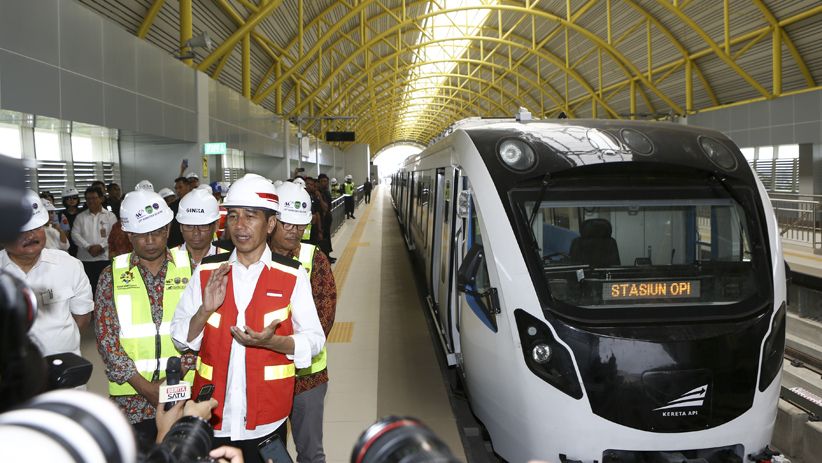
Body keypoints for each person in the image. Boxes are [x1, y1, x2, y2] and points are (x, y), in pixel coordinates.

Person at [171, 173, 325, 463]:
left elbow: (315, 340)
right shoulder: (207, 271)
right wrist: (204, 310)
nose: (239, 226)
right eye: (233, 216)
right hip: (213, 415)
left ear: (270, 224)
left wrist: (274, 342)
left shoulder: (292, 275)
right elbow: (180, 338)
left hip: (267, 420)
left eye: (250, 217)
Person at [94, 189, 196, 451]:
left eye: (157, 232)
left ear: (167, 229)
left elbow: (203, 329)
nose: (150, 241)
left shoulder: (193, 269)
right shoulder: (111, 275)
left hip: (184, 392)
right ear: (129, 235)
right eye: (141, 234)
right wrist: (147, 388)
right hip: (131, 398)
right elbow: (108, 341)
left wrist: (178, 372)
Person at [268, 182, 336, 463]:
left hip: (307, 377)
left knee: (310, 452)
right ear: (272, 222)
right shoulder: (254, 259)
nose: (294, 232)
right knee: (269, 450)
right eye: (287, 224)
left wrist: (282, 345)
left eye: (300, 226)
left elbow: (325, 315)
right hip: (265, 377)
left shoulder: (315, 259)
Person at [0, 190, 93, 357]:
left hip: (65, 372)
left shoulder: (69, 265)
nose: (30, 235)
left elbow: (82, 317)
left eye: (36, 227)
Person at [72, 187, 118, 294]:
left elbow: (113, 235)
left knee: (106, 289)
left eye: (94, 198)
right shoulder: (80, 217)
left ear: (101, 199)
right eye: (88, 199)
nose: (91, 201)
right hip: (85, 259)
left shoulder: (110, 216)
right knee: (88, 290)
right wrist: (88, 246)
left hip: (104, 258)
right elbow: (75, 234)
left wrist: (102, 246)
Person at [176, 188, 224, 266]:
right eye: (189, 226)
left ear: (216, 225)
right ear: (181, 227)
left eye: (203, 226)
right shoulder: (167, 259)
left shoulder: (229, 260)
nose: (196, 233)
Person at [316, 174, 335, 263]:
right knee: (322, 241)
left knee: (327, 239)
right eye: (323, 181)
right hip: (321, 222)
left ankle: (327, 256)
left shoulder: (326, 192)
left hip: (327, 220)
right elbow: (325, 208)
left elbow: (329, 207)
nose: (325, 183)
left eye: (326, 181)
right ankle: (324, 258)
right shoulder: (318, 193)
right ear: (319, 182)